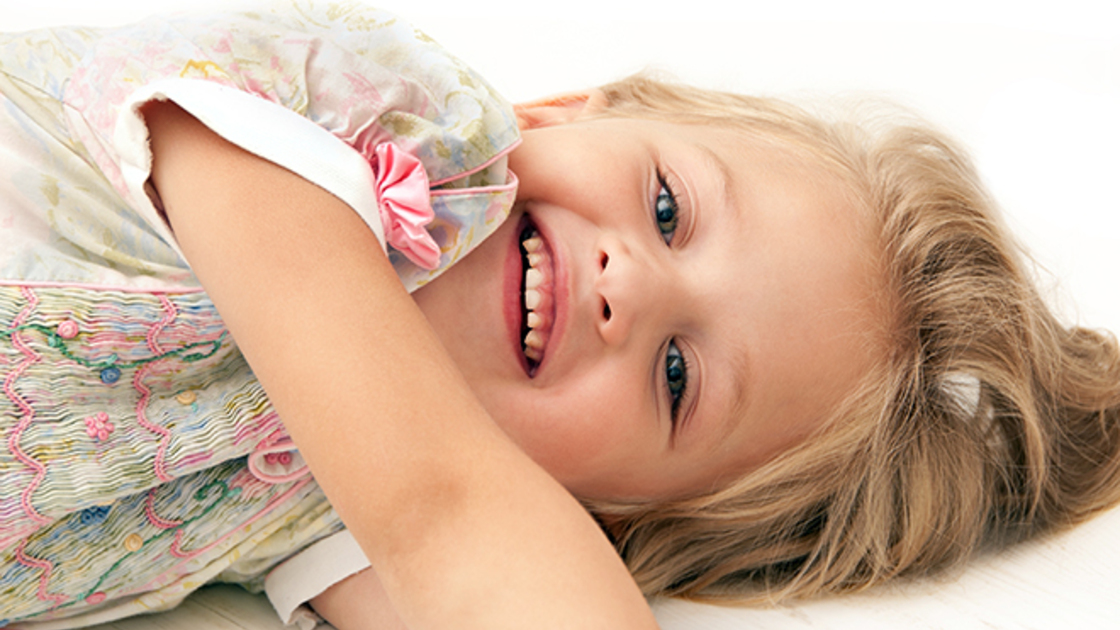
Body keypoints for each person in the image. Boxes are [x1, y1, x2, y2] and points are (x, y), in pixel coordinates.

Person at [2, 3, 1118, 629]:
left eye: (677, 379)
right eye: (668, 206)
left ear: (609, 514)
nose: (628, 284)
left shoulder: (331, 509)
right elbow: (444, 515)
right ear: (556, 113)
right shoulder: (308, 108)